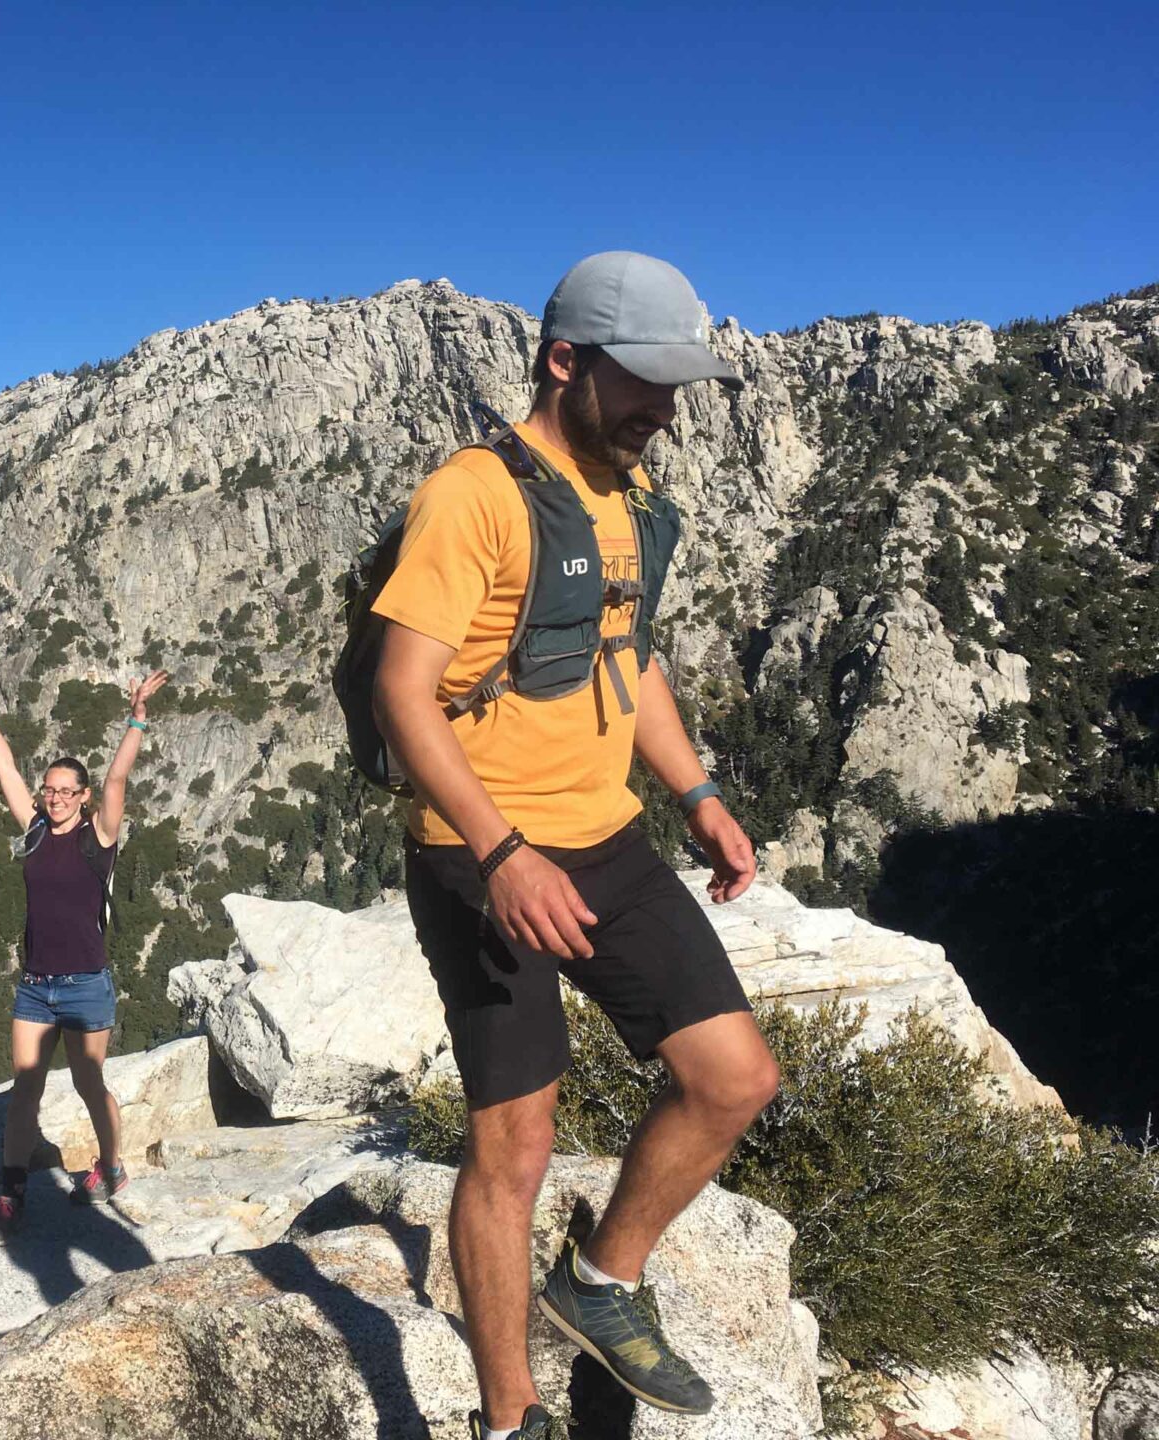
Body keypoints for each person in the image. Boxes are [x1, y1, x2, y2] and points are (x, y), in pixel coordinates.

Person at [371, 252, 777, 1439]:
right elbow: (406, 691)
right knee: (516, 1140)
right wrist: (500, 857)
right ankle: (511, 1417)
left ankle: (599, 1283)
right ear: (565, 361)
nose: (666, 408)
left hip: (604, 837)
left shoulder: (627, 501)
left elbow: (626, 655)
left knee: (733, 1078)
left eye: (677, 385)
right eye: (646, 381)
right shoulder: (474, 495)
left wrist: (695, 789)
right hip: (476, 849)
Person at [0, 658, 170, 1246]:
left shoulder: (98, 838)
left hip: (85, 985)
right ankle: (11, 1194)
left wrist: (136, 721)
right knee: (25, 1087)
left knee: (87, 1082)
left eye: (64, 791)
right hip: (36, 985)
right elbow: (3, 769)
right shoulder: (32, 831)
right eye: (48, 789)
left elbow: (119, 782)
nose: (52, 798)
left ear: (82, 797)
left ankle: (111, 1163)